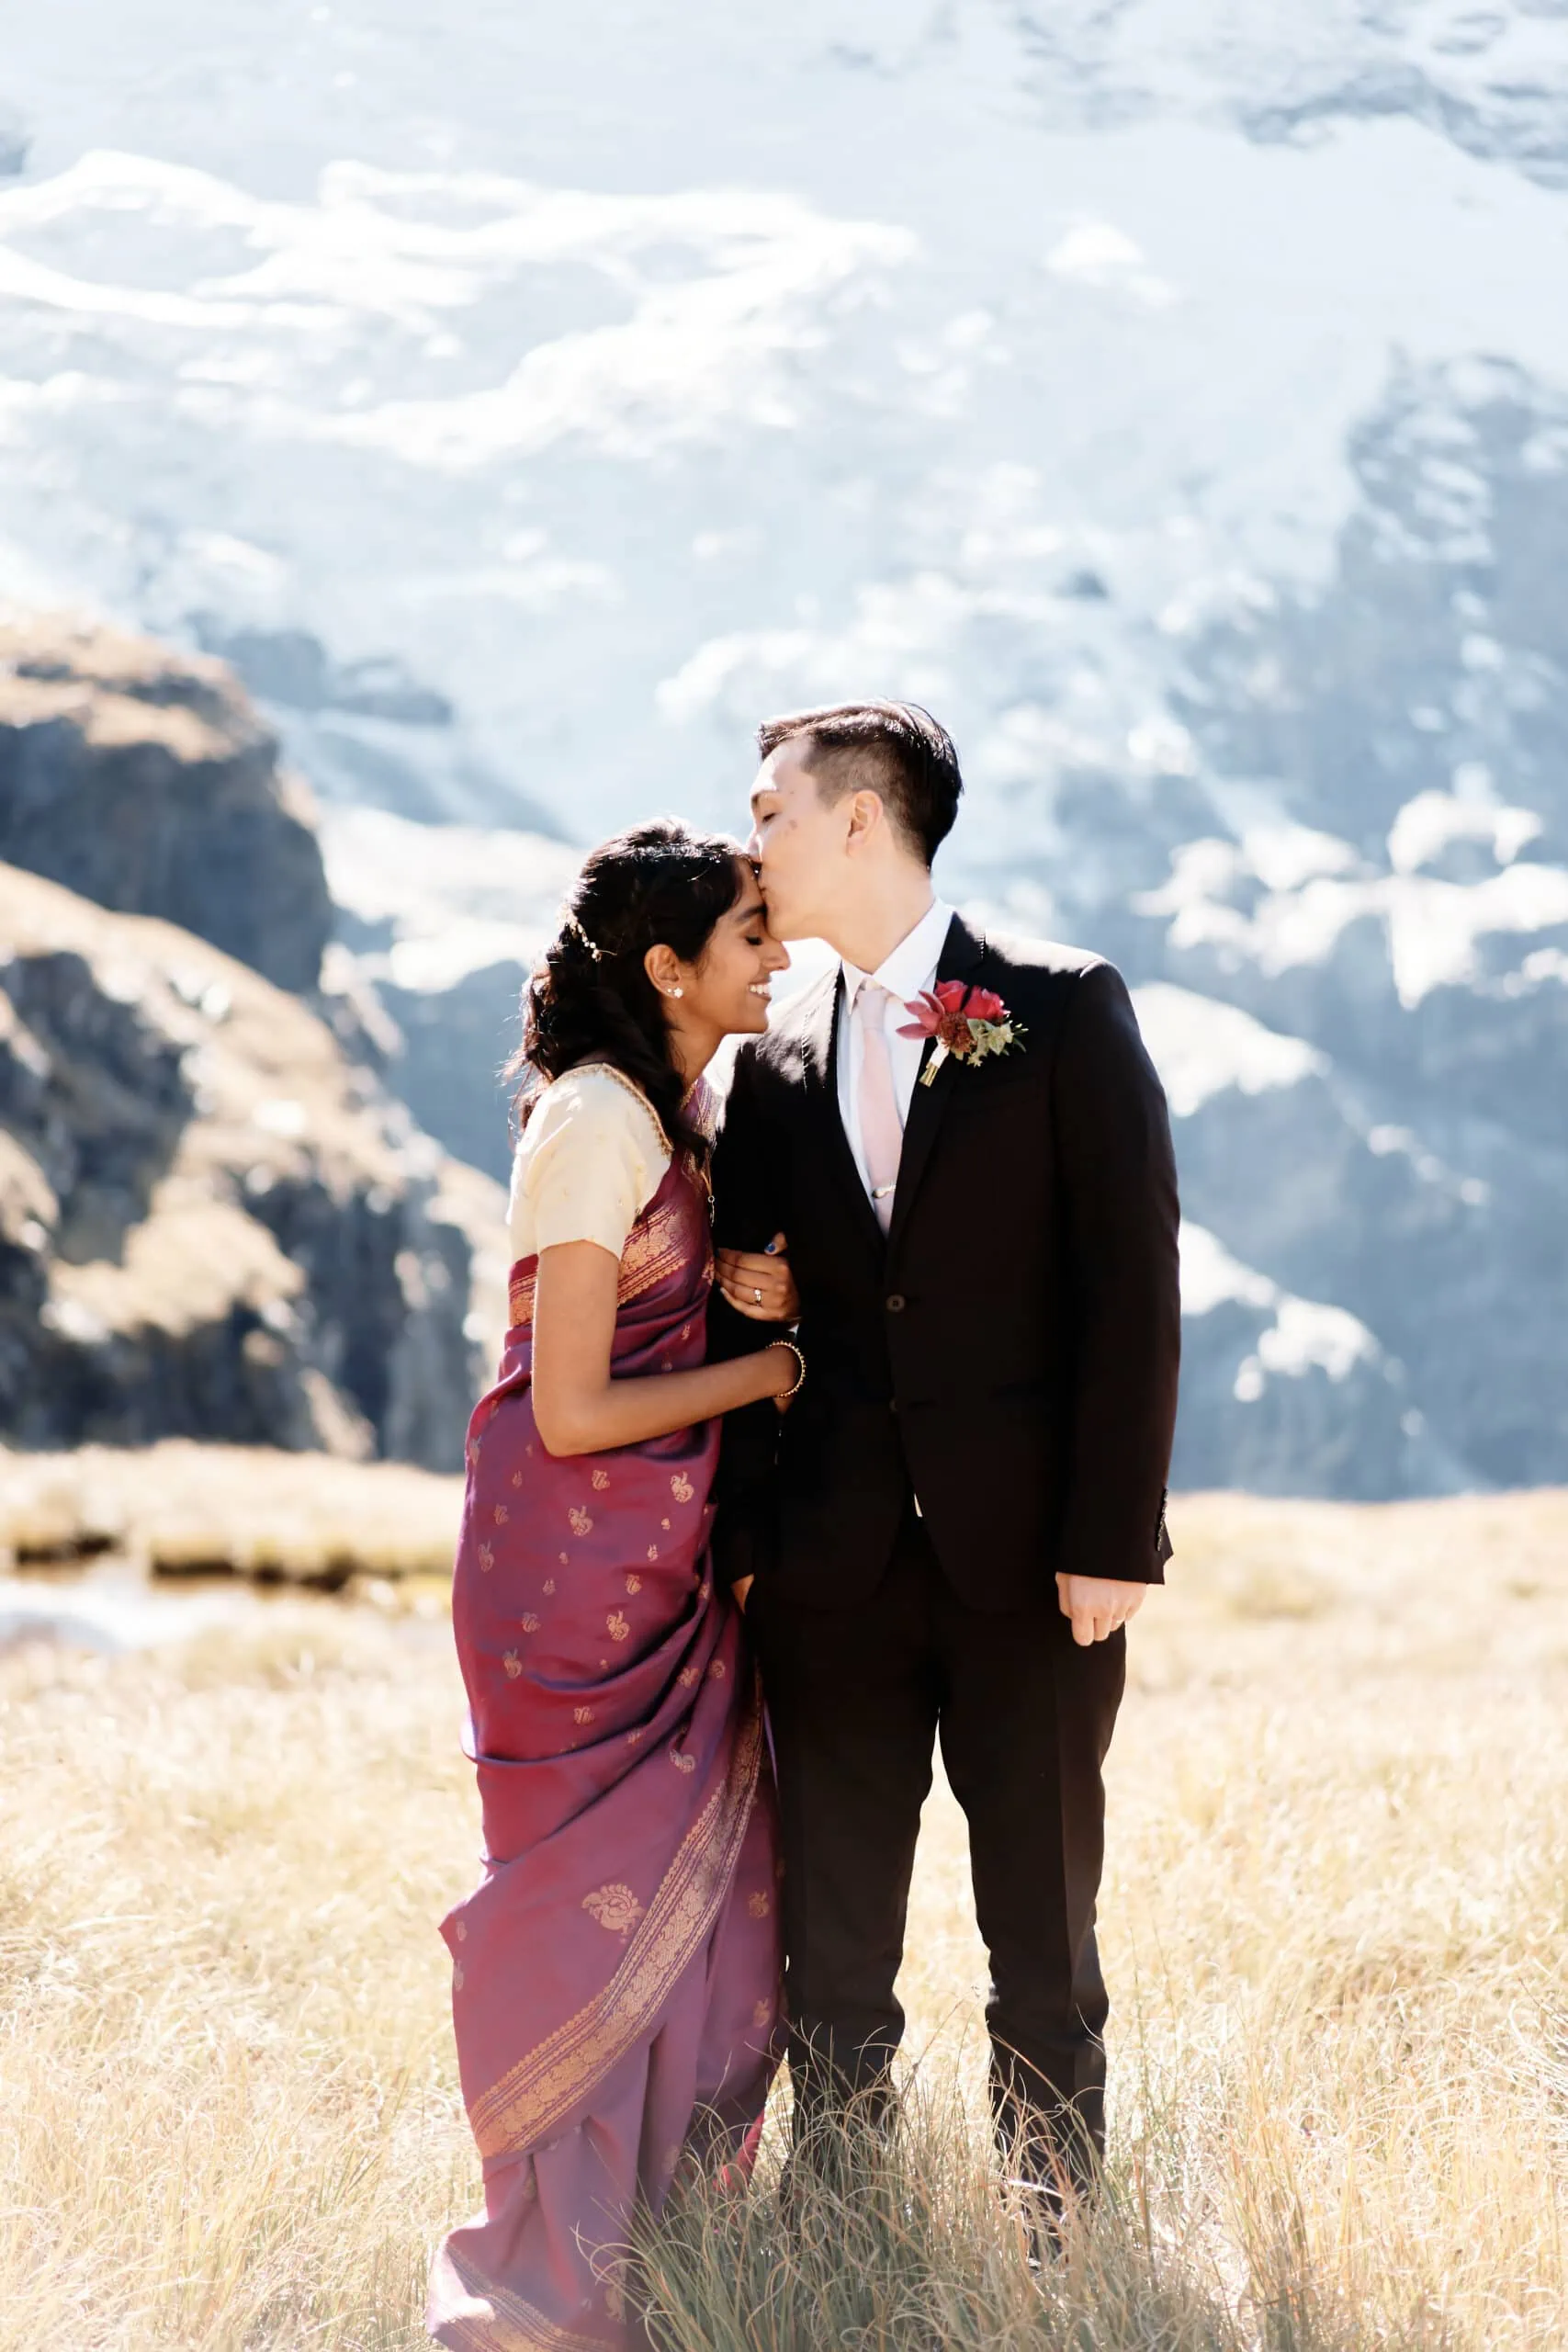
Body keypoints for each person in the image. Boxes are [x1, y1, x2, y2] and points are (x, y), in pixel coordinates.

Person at [707, 701, 1180, 2206]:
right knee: (832, 1946)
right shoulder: (774, 1060)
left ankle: (1060, 2247)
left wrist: (1113, 1537)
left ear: (861, 820)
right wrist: (744, 1283)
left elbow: (1132, 1284)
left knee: (1041, 1942)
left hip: (1033, 1569)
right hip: (829, 1571)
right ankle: (840, 2232)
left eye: (769, 809)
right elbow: (760, 1268)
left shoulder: (1059, 1004)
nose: (752, 841)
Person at [428, 821, 801, 2352]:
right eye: (751, 932)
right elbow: (573, 1407)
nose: (776, 954)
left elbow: (645, 1301)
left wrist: (729, 1296)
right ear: (666, 967)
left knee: (710, 1908)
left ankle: (656, 2267)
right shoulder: (593, 1118)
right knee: (591, 1918)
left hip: (651, 1572)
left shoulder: (670, 1107)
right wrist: (762, 1365)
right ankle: (547, 2288)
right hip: (569, 1593)